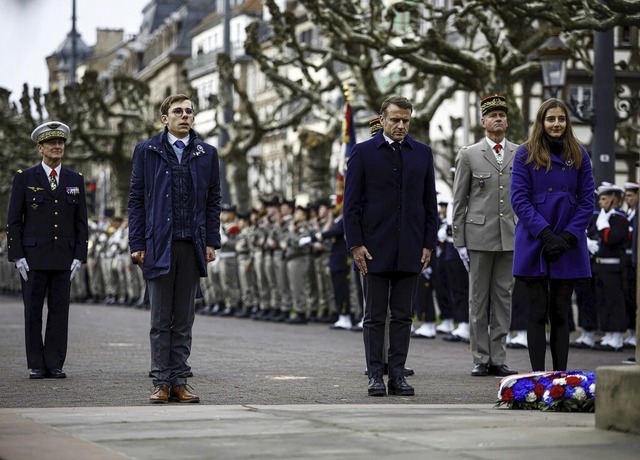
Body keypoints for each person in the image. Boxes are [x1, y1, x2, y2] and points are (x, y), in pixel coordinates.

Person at [128, 94, 221, 404]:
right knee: (159, 319)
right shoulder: (147, 150)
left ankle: (179, 380)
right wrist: (137, 243)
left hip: (191, 245)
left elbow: (212, 201)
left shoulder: (207, 153)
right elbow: (137, 199)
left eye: (189, 111)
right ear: (164, 118)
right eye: (178, 111)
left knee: (183, 318)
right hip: (158, 244)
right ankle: (161, 382)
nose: (185, 116)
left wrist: (210, 241)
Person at [343, 95, 438, 396]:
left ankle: (397, 375)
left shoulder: (422, 153)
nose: (400, 125)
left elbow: (429, 203)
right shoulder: (363, 152)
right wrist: (356, 244)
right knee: (374, 315)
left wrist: (428, 243)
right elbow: (351, 205)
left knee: (402, 315)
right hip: (374, 249)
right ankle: (375, 375)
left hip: (410, 247)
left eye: (405, 120)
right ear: (382, 119)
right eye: (395, 119)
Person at [511, 98, 595, 371]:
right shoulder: (525, 153)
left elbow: (587, 201)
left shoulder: (580, 154)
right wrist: (546, 234)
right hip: (535, 240)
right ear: (541, 122)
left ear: (567, 122)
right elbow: (519, 199)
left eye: (561, 119)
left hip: (568, 242)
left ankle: (560, 377)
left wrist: (568, 237)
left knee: (561, 313)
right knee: (536, 312)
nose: (556, 124)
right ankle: (538, 376)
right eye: (551, 119)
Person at [7, 121, 89, 379]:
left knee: (59, 311)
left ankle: (55, 362)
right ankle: (35, 363)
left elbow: (81, 222)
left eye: (61, 142)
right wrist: (17, 254)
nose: (57, 146)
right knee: (32, 312)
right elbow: (14, 220)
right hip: (33, 258)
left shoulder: (75, 179)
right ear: (40, 147)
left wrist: (79, 255)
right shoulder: (24, 178)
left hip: (63, 257)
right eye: (52, 143)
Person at [452, 94, 518, 377]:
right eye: (493, 115)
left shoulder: (520, 152)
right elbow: (460, 199)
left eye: (502, 115)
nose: (498, 119)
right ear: (483, 122)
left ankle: (498, 356)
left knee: (504, 297)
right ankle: (480, 357)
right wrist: (459, 240)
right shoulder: (469, 154)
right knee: (478, 299)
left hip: (510, 236)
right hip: (478, 235)